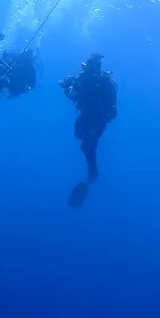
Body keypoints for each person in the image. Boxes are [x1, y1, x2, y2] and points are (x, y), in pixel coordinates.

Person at [60, 53, 117, 207]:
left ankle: (93, 173)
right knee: (79, 135)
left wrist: (68, 86)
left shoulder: (91, 82)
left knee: (87, 146)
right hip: (93, 119)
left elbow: (74, 94)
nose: (83, 68)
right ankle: (92, 171)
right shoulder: (99, 80)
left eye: (85, 66)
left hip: (95, 121)